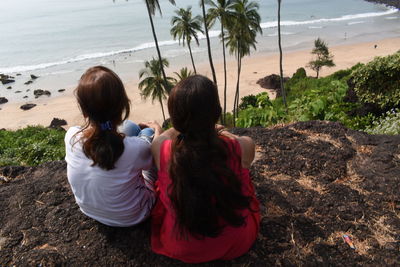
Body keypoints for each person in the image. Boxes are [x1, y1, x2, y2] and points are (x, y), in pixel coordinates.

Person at [150, 75, 260, 263]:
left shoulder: (161, 149)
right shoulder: (243, 147)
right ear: (216, 112)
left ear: (175, 120)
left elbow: (164, 137)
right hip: (235, 242)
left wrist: (170, 128)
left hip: (181, 246)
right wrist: (219, 129)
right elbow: (233, 139)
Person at [65, 66, 162, 227]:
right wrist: (158, 132)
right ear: (122, 108)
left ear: (84, 110)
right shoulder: (134, 148)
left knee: (129, 127)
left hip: (89, 210)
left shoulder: (71, 136)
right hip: (135, 215)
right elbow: (154, 154)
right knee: (146, 132)